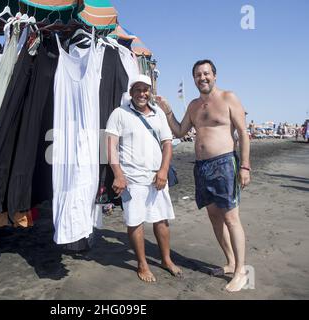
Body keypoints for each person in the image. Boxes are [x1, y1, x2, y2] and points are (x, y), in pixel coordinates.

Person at [155, 60, 251, 292]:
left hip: (225, 164)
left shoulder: (229, 98)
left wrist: (245, 166)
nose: (202, 78)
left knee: (231, 219)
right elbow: (179, 131)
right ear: (194, 79)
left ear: (214, 76)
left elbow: (243, 134)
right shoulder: (193, 105)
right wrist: (167, 110)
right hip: (202, 168)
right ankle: (229, 263)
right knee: (215, 218)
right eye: (198, 75)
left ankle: (241, 272)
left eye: (206, 73)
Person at [106, 74, 182, 283]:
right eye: (138, 89)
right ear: (131, 92)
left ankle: (166, 260)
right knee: (135, 221)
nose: (142, 93)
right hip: (131, 180)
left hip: (157, 177)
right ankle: (142, 264)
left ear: (150, 92)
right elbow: (110, 145)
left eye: (145, 89)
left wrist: (164, 171)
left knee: (162, 219)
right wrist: (118, 175)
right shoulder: (119, 114)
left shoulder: (158, 114)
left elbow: (167, 143)